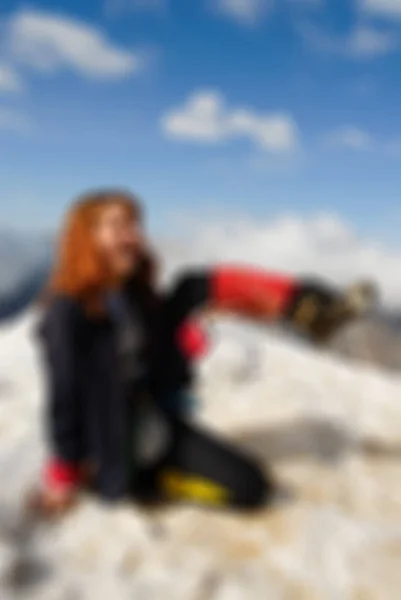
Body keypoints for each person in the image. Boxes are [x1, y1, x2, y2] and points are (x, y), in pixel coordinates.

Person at [32, 189, 365, 516]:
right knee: (250, 490)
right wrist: (64, 472)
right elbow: (65, 395)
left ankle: (302, 302)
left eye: (134, 225)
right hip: (118, 446)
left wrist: (177, 345)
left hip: (154, 418)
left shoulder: (132, 294)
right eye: (118, 226)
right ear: (86, 238)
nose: (133, 236)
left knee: (192, 285)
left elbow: (149, 354)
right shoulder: (68, 312)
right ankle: (161, 483)